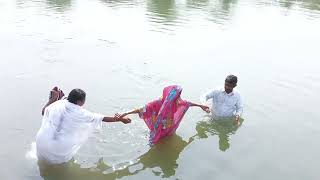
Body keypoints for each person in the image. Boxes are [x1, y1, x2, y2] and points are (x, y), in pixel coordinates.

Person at [36, 87, 131, 164]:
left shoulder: (57, 104)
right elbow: (102, 118)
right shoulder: (81, 113)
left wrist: (52, 100)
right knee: (60, 166)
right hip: (59, 148)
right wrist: (121, 119)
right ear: (80, 102)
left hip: (42, 142)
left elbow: (44, 112)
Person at [116, 85, 210, 144]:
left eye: (179, 96)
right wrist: (126, 113)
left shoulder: (176, 102)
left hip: (169, 128)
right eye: (177, 96)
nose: (179, 98)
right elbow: (141, 109)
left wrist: (200, 105)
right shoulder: (157, 103)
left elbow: (187, 103)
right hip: (158, 128)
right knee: (155, 144)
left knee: (169, 140)